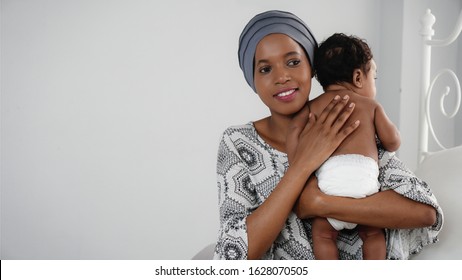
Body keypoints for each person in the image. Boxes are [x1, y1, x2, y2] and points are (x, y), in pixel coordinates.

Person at [213, 10, 442, 260]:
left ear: (312, 67)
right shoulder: (238, 143)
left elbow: (424, 212)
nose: (282, 77)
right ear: (252, 80)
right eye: (265, 69)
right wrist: (302, 165)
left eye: (293, 62)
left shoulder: (348, 122)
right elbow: (231, 256)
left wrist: (321, 204)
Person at [308, 33, 400, 260]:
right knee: (373, 234)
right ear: (358, 77)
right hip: (365, 188)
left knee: (323, 235)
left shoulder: (314, 107)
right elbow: (392, 142)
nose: (374, 86)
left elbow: (294, 137)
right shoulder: (371, 106)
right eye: (374, 78)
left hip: (331, 186)